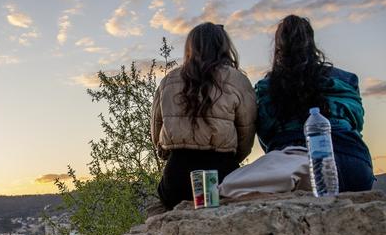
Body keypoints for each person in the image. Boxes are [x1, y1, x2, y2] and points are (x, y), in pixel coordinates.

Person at [255, 15, 374, 192]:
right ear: (311, 41)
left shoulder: (267, 86)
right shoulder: (347, 80)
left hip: (293, 166)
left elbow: (266, 135)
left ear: (279, 46)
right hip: (354, 165)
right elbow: (357, 124)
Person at [151, 22, 257, 210]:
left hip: (177, 178)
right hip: (221, 174)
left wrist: (170, 152)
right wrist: (232, 157)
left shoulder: (168, 81)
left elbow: (156, 133)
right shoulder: (238, 80)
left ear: (190, 47)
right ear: (223, 46)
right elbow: (246, 135)